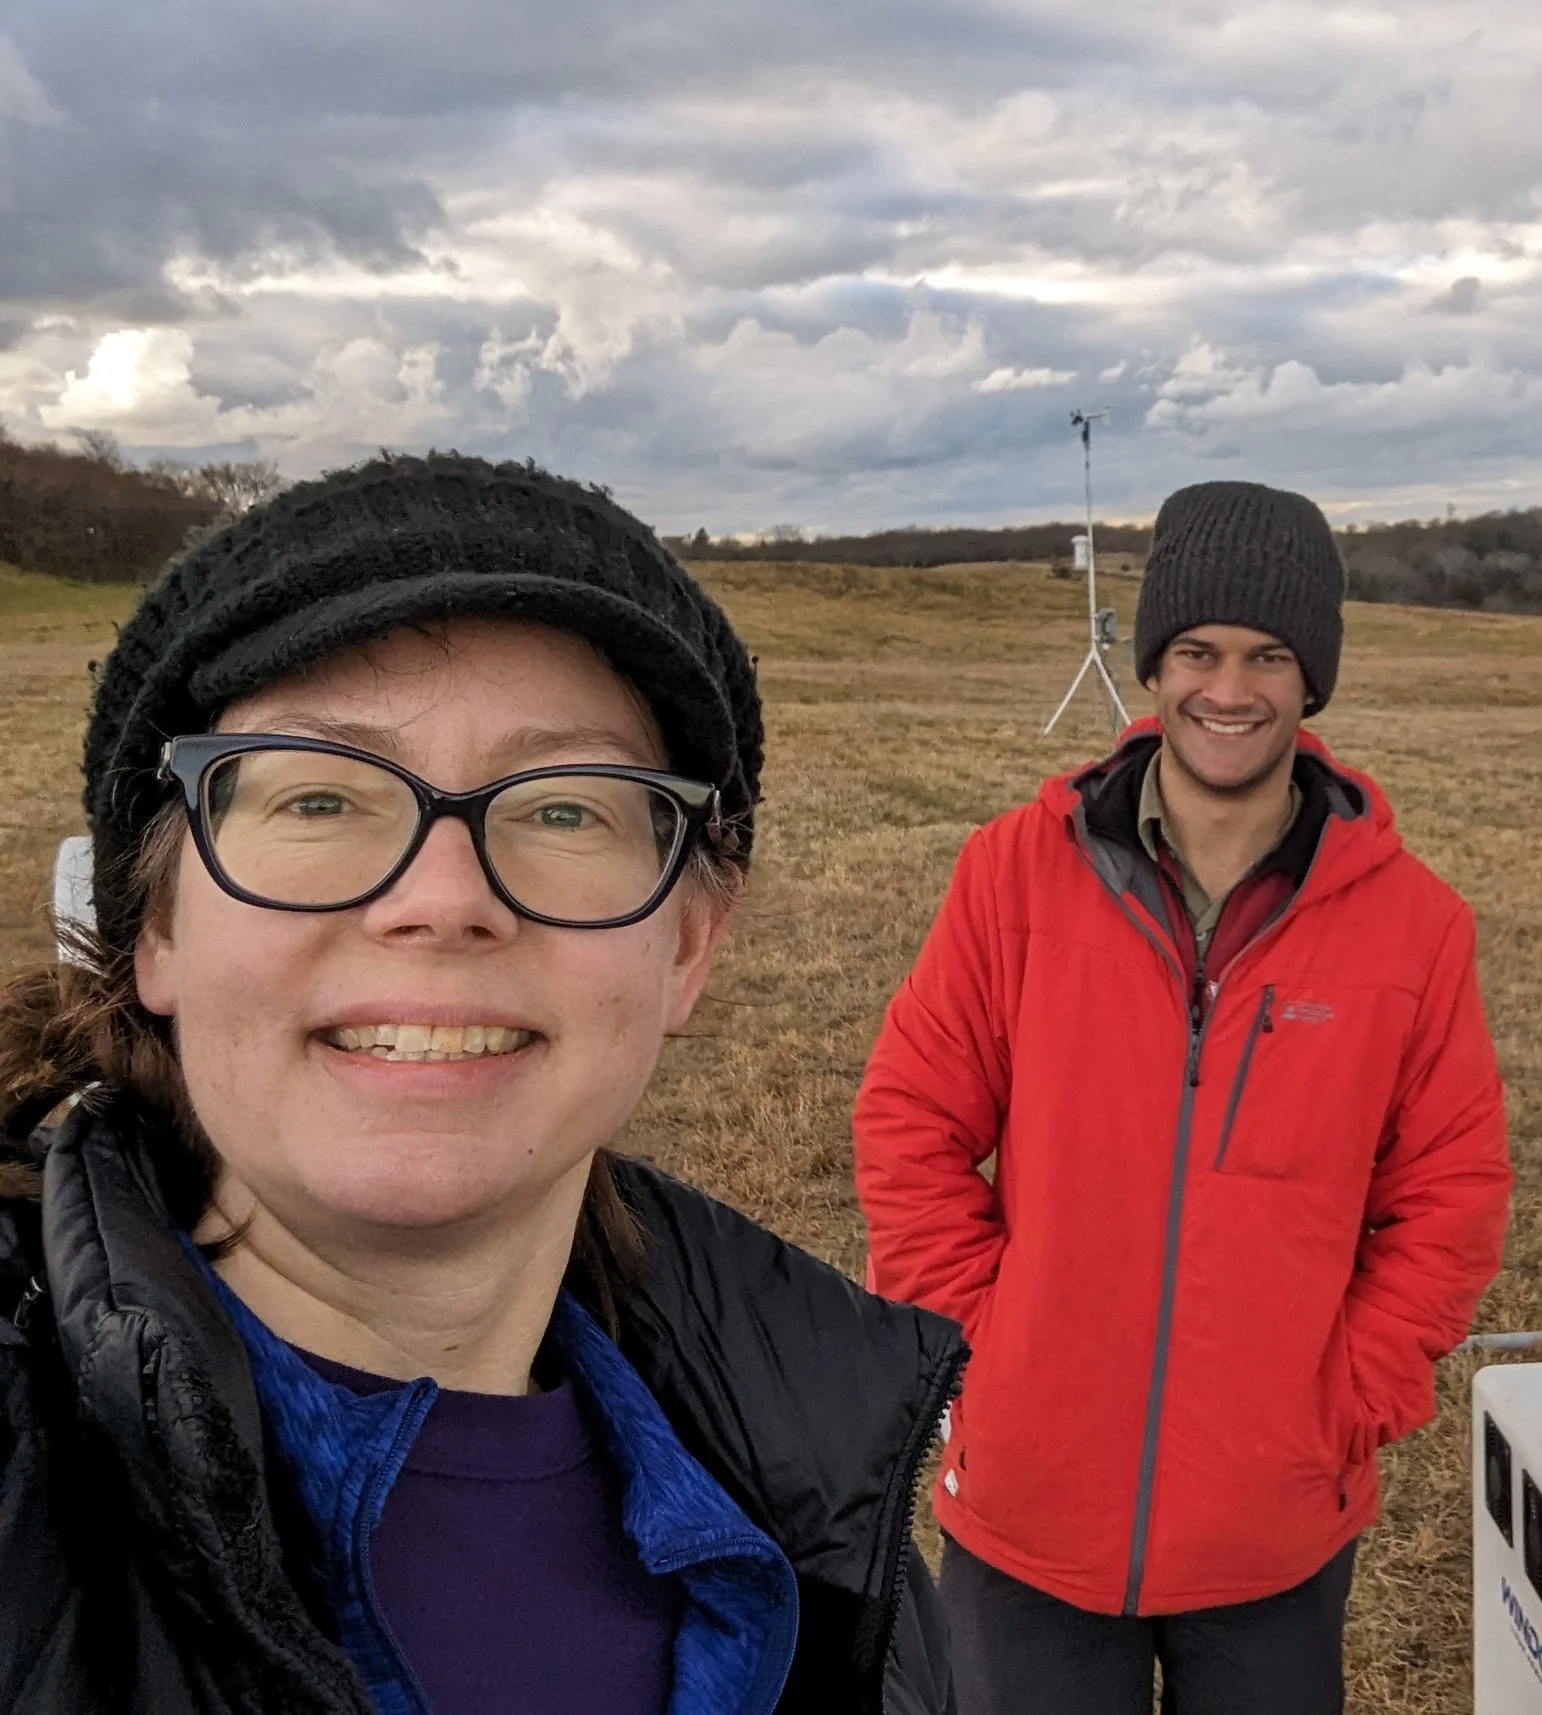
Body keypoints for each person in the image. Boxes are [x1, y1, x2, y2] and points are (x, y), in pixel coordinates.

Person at [0, 454, 965, 1713]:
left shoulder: (823, 1509)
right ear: (160, 927)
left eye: (565, 810)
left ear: (687, 946)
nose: (443, 899)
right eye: (319, 795)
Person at [853, 480, 1512, 1714]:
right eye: (1198, 651)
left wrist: (1346, 1396)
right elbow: (910, 1124)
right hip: (1031, 1512)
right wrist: (983, 1350)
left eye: (1269, 656)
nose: (1230, 689)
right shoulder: (1012, 874)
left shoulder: (1414, 927)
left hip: (1274, 1520)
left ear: (1312, 681)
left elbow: (1451, 1195)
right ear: (1152, 665)